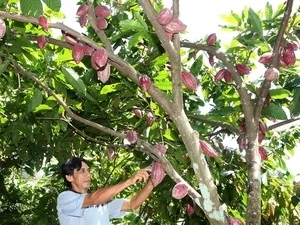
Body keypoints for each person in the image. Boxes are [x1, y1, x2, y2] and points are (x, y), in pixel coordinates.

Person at [57, 156, 156, 225]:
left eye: (88, 170)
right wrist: (129, 181)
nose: (88, 174)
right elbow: (93, 199)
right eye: (82, 171)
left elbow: (132, 204)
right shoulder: (65, 198)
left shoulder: (102, 203)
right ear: (69, 177)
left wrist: (153, 182)